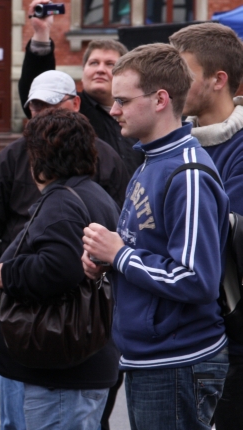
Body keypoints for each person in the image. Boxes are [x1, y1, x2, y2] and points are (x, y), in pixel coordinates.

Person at [82, 43, 229, 430]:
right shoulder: (151, 160)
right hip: (152, 357)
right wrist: (106, 261)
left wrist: (120, 256)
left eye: (123, 101)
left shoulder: (188, 173)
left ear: (160, 99)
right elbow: (145, 247)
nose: (113, 110)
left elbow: (196, 279)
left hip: (177, 360)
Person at [0, 70, 128, 430]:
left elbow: (60, 266)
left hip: (61, 375)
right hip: (75, 365)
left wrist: (6, 273)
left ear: (41, 157)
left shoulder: (62, 202)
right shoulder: (90, 193)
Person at [169, 22, 243, 430]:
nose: (173, 85)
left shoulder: (239, 147)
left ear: (219, 80)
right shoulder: (179, 141)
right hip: (187, 332)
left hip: (231, 335)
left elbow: (218, 232)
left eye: (184, 73)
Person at [18, 0, 143, 177]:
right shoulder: (69, 108)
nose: (100, 69)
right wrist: (41, 33)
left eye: (110, 64)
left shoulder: (138, 114)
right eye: (94, 63)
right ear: (83, 71)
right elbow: (38, 86)